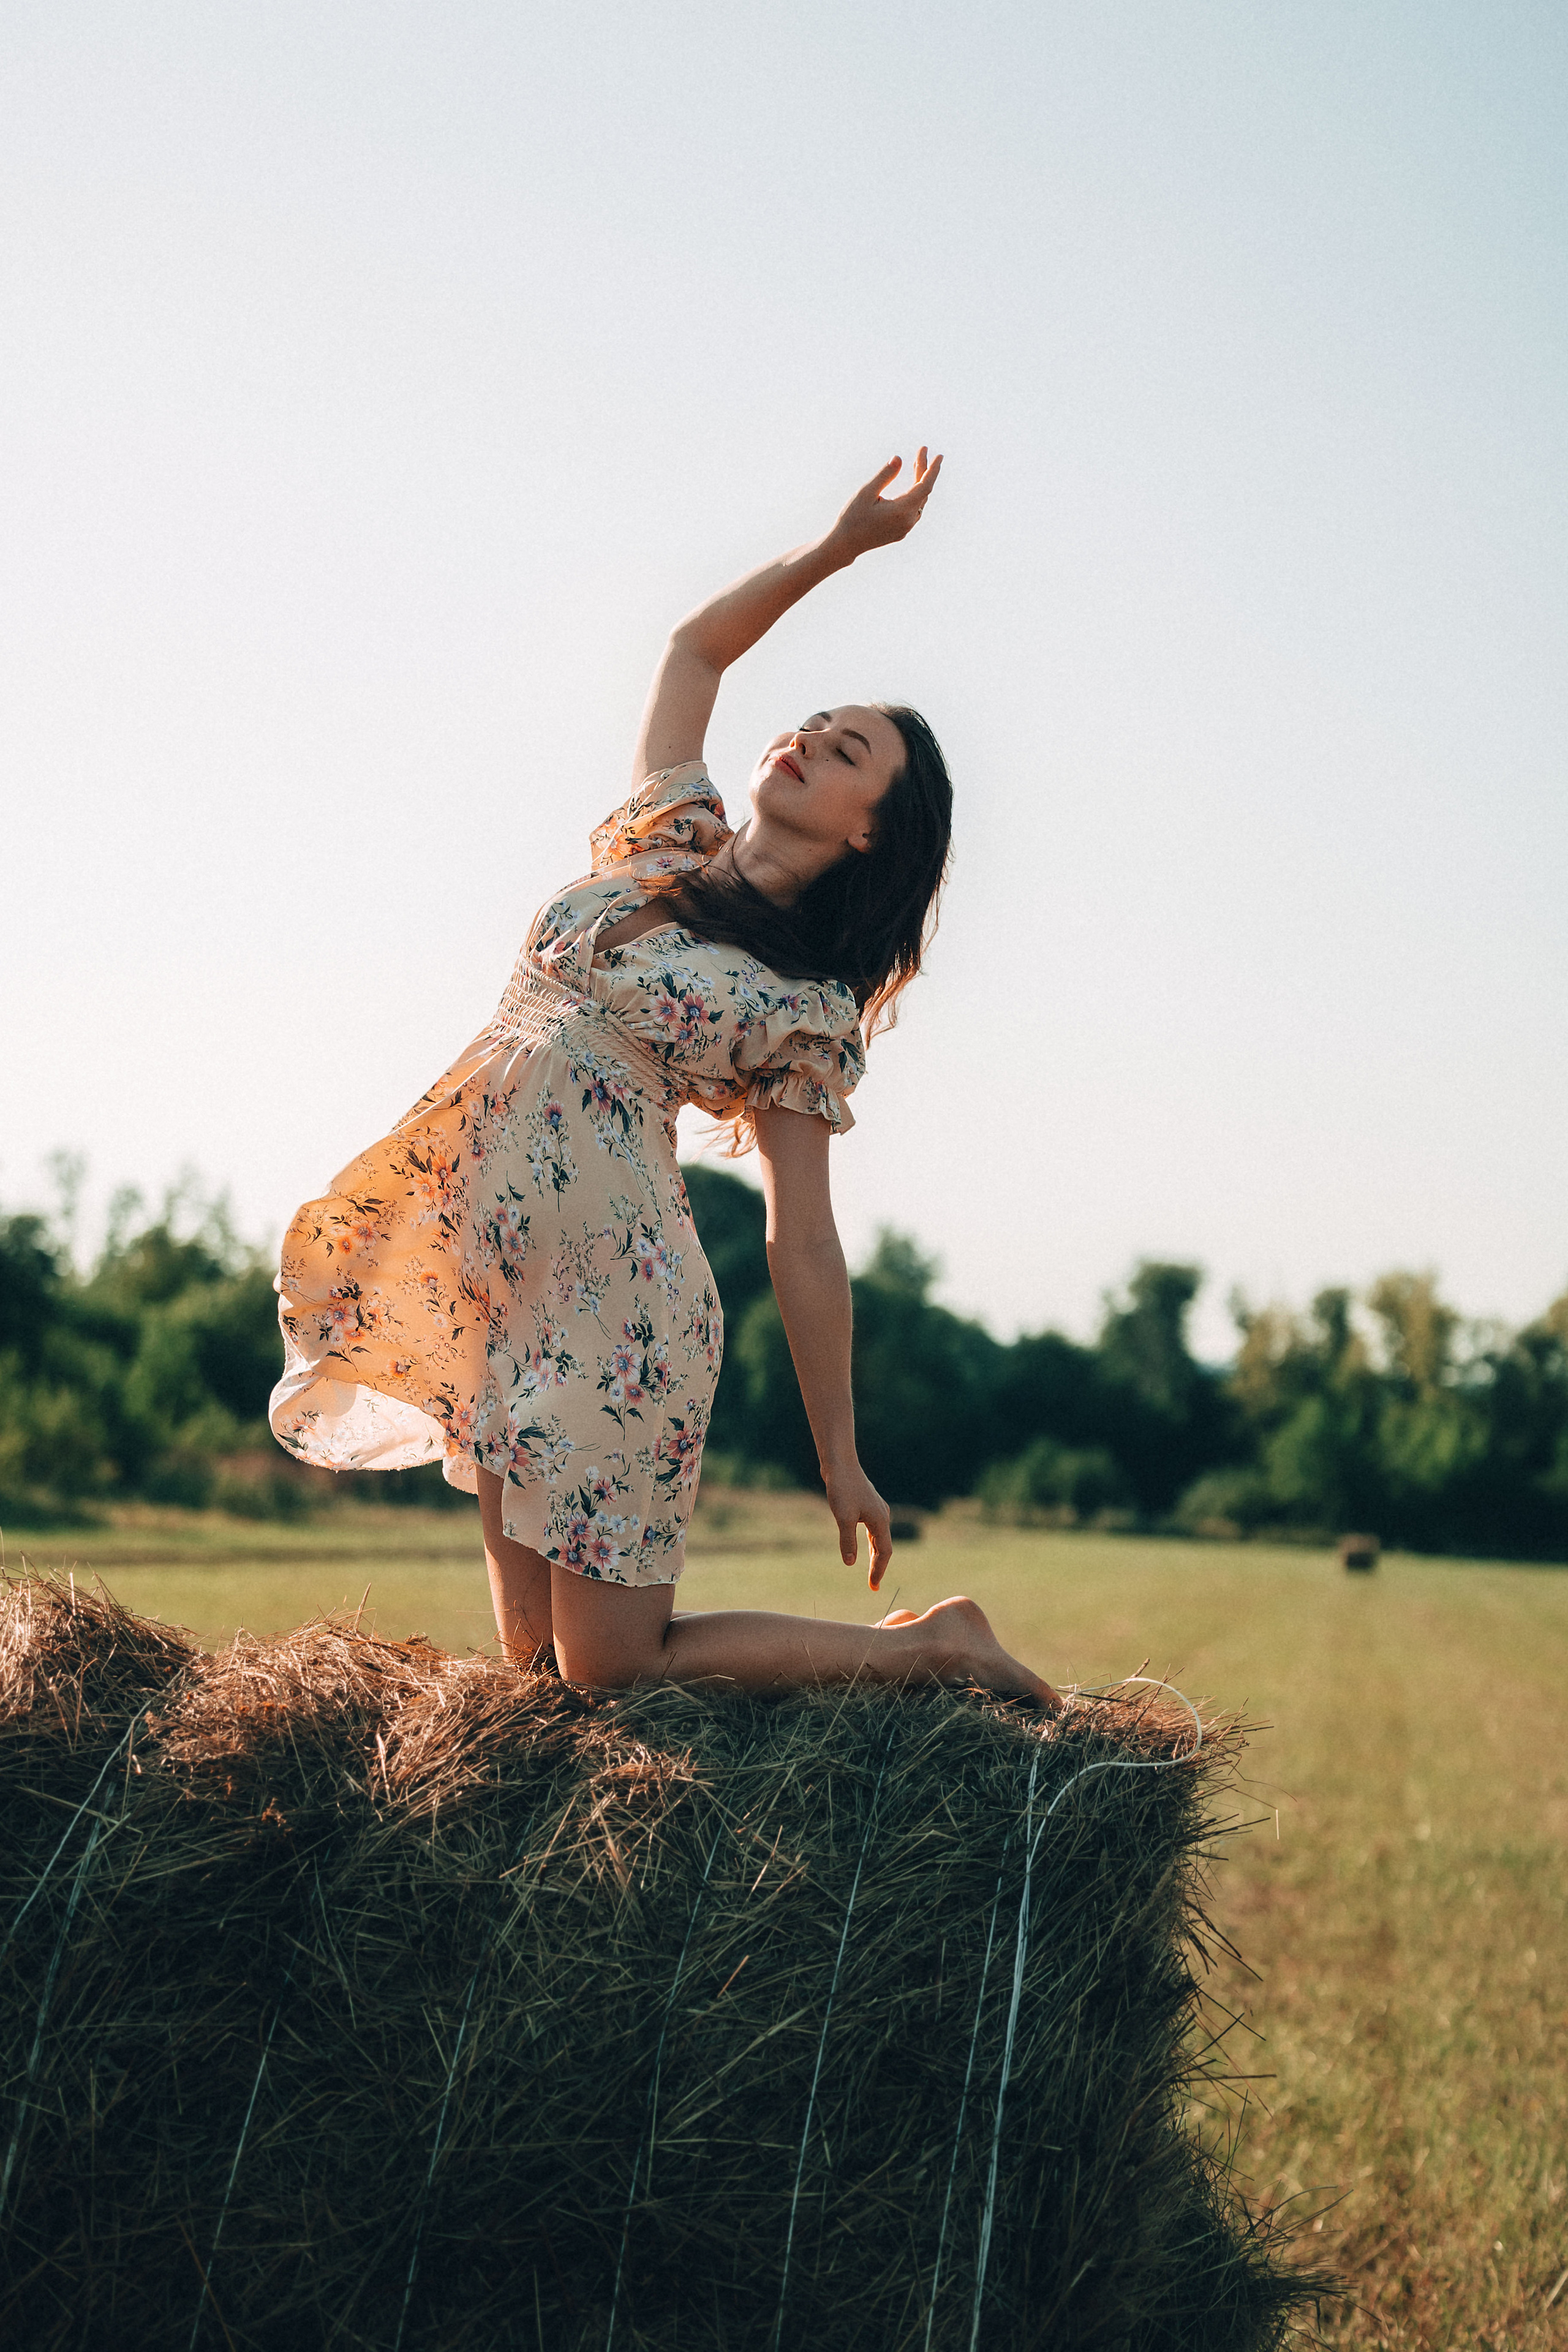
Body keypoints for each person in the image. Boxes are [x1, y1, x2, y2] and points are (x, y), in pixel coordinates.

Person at [270, 451, 1058, 1709]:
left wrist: (838, 1454)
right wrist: (838, 547)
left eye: (845, 749)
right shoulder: (663, 844)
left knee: (611, 1671)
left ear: (869, 832)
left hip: (619, 1314)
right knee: (534, 1678)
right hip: (499, 1279)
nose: (804, 737)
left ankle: (929, 1649)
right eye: (812, 722)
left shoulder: (802, 1010)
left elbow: (804, 1242)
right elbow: (694, 653)